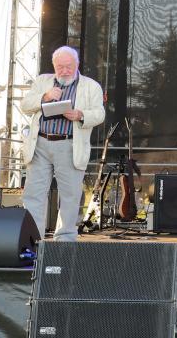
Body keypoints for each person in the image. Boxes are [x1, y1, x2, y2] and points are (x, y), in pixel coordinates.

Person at [21, 46, 105, 240]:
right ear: (54, 66)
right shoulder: (42, 81)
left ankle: (64, 241)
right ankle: (33, 240)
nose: (64, 71)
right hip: (40, 144)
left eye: (69, 66)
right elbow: (25, 105)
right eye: (60, 67)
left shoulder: (91, 86)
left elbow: (99, 114)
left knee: (70, 196)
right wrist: (45, 97)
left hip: (69, 146)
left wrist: (80, 115)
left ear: (77, 64)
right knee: (33, 195)